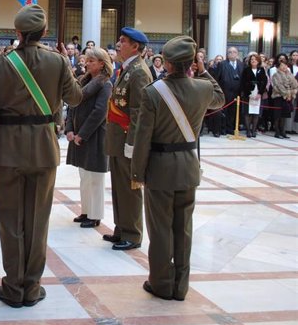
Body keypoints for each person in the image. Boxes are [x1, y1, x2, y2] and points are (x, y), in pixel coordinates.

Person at [0, 4, 82, 307]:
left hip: (8, 151)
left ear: (18, 33)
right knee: (38, 221)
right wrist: (69, 66)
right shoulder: (59, 61)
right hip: (43, 150)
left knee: (11, 221)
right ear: (45, 32)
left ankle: (12, 287)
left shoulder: (0, 64)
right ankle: (32, 287)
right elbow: (75, 97)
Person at [131, 36, 224, 301]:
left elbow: (143, 138)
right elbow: (220, 97)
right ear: (191, 62)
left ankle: (161, 283)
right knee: (183, 229)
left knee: (160, 229)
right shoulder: (203, 89)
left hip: (160, 169)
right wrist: (203, 69)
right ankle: (180, 286)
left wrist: (137, 173)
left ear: (168, 64)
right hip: (188, 167)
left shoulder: (153, 92)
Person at [103, 27, 152, 251]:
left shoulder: (139, 71)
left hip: (126, 139)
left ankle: (132, 234)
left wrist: (133, 145)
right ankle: (121, 228)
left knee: (129, 189)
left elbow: (138, 112)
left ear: (135, 46)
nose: (118, 44)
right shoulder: (127, 68)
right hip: (117, 138)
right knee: (118, 187)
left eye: (123, 41)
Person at [66, 48, 113, 229]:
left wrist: (82, 134)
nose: (87, 63)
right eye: (87, 60)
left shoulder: (105, 85)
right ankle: (86, 211)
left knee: (95, 178)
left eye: (92, 61)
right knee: (84, 176)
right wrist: (70, 129)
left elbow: (99, 112)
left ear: (102, 63)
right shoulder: (83, 82)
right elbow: (72, 105)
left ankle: (95, 215)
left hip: (95, 136)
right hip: (78, 135)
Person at [217, 47, 244, 134]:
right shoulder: (222, 64)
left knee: (234, 111)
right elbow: (218, 78)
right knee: (224, 110)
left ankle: (231, 127)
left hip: (237, 93)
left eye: (234, 52)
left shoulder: (241, 64)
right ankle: (223, 128)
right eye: (230, 52)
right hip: (225, 92)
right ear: (227, 54)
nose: (232, 54)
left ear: (237, 54)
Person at [240, 53, 267, 137]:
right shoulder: (246, 70)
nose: (253, 61)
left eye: (255, 59)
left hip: (258, 92)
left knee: (256, 113)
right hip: (249, 93)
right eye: (252, 59)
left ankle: (254, 130)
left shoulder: (261, 70)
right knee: (248, 112)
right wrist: (248, 93)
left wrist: (260, 93)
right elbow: (243, 82)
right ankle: (248, 130)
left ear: (258, 61)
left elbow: (264, 82)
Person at [270, 59, 298, 139]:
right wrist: (286, 94)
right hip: (279, 97)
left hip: (288, 97)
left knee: (284, 115)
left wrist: (292, 93)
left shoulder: (290, 74)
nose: (284, 67)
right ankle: (277, 131)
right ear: (278, 67)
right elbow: (279, 86)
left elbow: (295, 85)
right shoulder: (276, 75)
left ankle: (283, 131)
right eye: (282, 65)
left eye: (285, 65)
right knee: (277, 115)